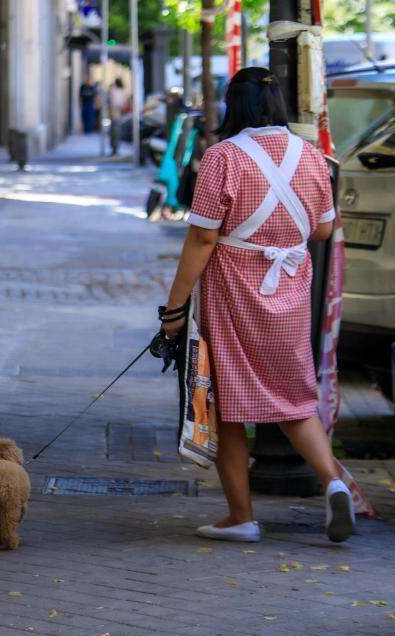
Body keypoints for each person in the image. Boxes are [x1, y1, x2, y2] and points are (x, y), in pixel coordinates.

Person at [159, 67, 353, 544]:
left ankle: (241, 517)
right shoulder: (310, 156)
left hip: (235, 291)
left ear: (234, 106)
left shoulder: (222, 157)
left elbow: (204, 237)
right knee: (294, 400)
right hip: (288, 290)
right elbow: (324, 229)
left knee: (227, 406)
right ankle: (333, 481)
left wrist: (174, 307)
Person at [107, 77, 129, 155]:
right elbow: (125, 102)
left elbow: (110, 101)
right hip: (120, 111)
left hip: (115, 111)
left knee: (114, 130)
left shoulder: (114, 91)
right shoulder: (123, 91)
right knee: (116, 129)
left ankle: (114, 147)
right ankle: (115, 147)